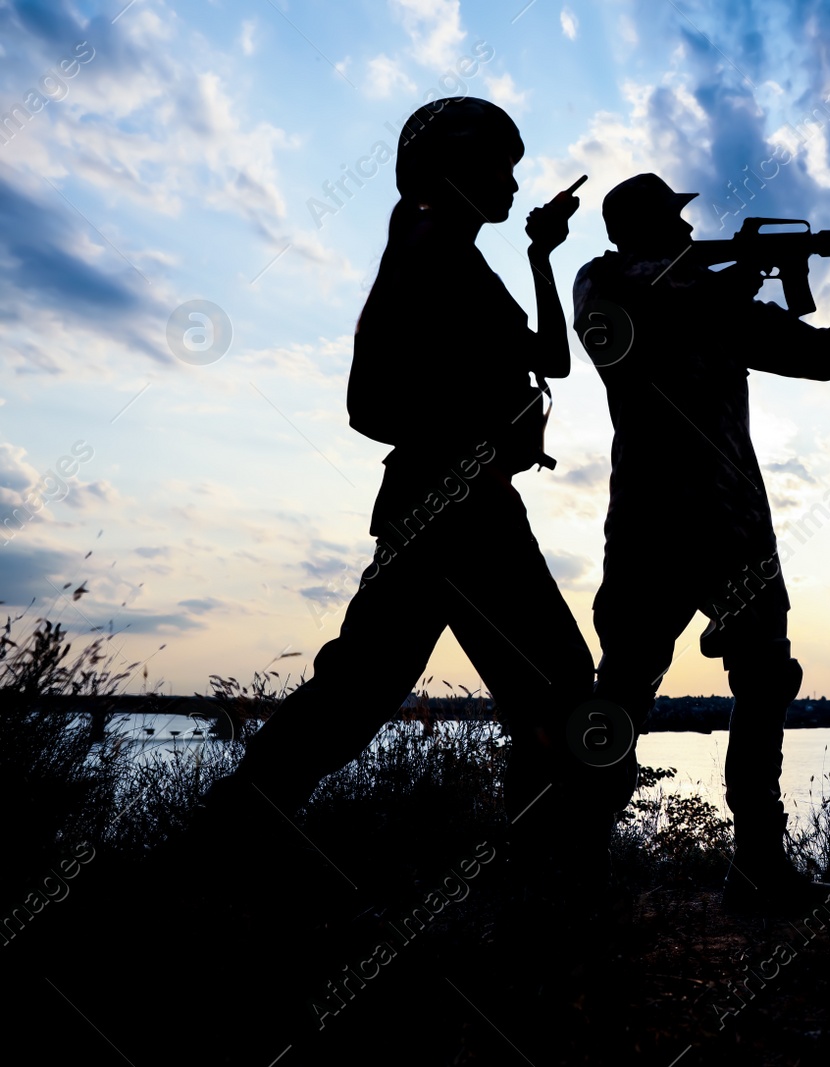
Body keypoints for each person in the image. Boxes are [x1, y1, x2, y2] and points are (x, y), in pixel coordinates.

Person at [195, 98, 615, 893]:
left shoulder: (456, 258)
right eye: (502, 163)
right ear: (453, 162)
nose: (513, 180)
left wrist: (541, 257)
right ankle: (550, 891)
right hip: (464, 508)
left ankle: (221, 841)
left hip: (446, 506)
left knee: (356, 693)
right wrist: (473, 437)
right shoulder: (426, 244)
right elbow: (368, 404)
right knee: (559, 683)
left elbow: (553, 362)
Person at [572, 173, 830, 914]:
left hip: (731, 525)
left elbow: (829, 355)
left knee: (763, 679)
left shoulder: (717, 302)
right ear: (636, 229)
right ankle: (576, 865)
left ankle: (759, 865)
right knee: (625, 687)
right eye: (669, 220)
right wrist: (745, 272)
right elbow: (656, 301)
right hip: (650, 524)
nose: (682, 231)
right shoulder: (606, 282)